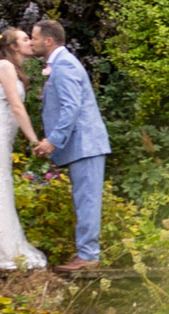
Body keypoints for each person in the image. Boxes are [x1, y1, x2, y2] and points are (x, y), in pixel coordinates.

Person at [30, 18, 111, 274]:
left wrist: (53, 140)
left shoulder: (64, 65)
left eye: (34, 38)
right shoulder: (61, 64)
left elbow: (71, 107)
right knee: (83, 198)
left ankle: (88, 256)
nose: (32, 43)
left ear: (49, 40)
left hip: (86, 144)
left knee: (87, 199)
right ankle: (86, 253)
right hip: (82, 145)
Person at [0, 27, 48, 271]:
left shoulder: (5, 67)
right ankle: (1, 249)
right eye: (25, 40)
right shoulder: (5, 67)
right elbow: (16, 107)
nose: (30, 43)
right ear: (13, 46)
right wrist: (34, 140)